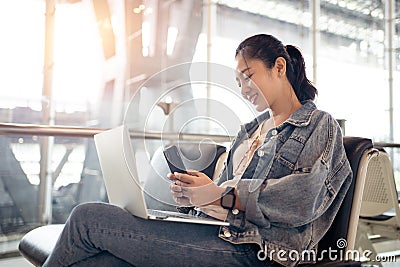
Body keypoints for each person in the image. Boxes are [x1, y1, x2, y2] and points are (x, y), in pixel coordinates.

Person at [43, 34, 352, 267]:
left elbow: (303, 198)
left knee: (86, 218)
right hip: (217, 229)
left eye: (247, 76)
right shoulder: (250, 130)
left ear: (279, 67)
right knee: (99, 260)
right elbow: (223, 197)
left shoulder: (318, 125)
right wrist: (198, 196)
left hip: (257, 249)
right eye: (237, 81)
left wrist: (221, 195)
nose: (243, 89)